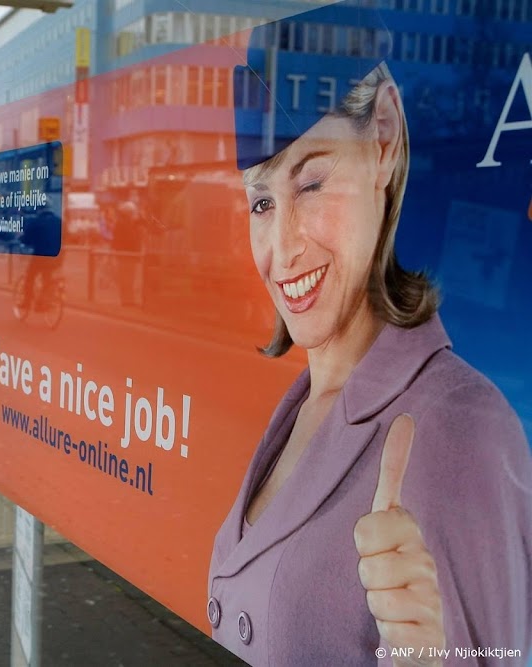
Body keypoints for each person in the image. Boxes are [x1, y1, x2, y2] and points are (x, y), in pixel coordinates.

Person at [207, 3, 532, 665]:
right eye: (262, 201)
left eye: (313, 181)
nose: (282, 247)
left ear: (383, 138)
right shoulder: (301, 404)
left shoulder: (466, 429)